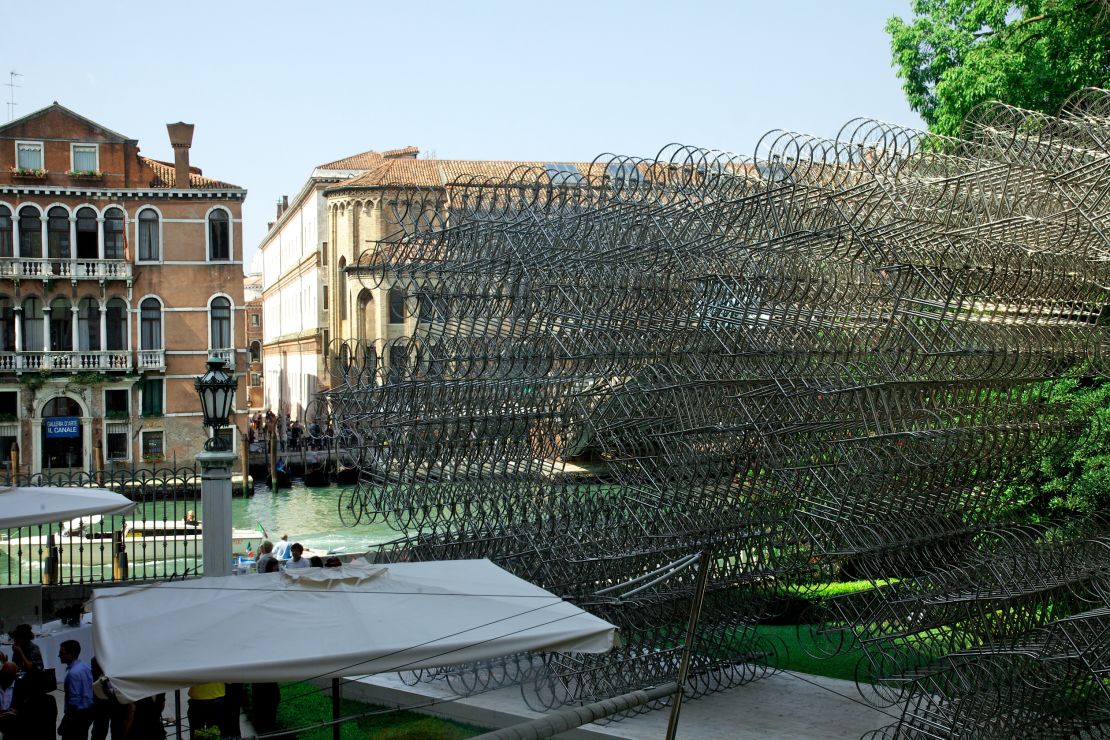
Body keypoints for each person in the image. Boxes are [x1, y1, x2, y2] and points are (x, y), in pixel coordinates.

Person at [58, 639, 94, 740]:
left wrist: (64, 723)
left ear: (71, 654)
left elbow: (74, 702)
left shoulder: (73, 674)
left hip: (76, 717)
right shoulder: (85, 666)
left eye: (62, 653)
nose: (59, 655)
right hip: (88, 713)